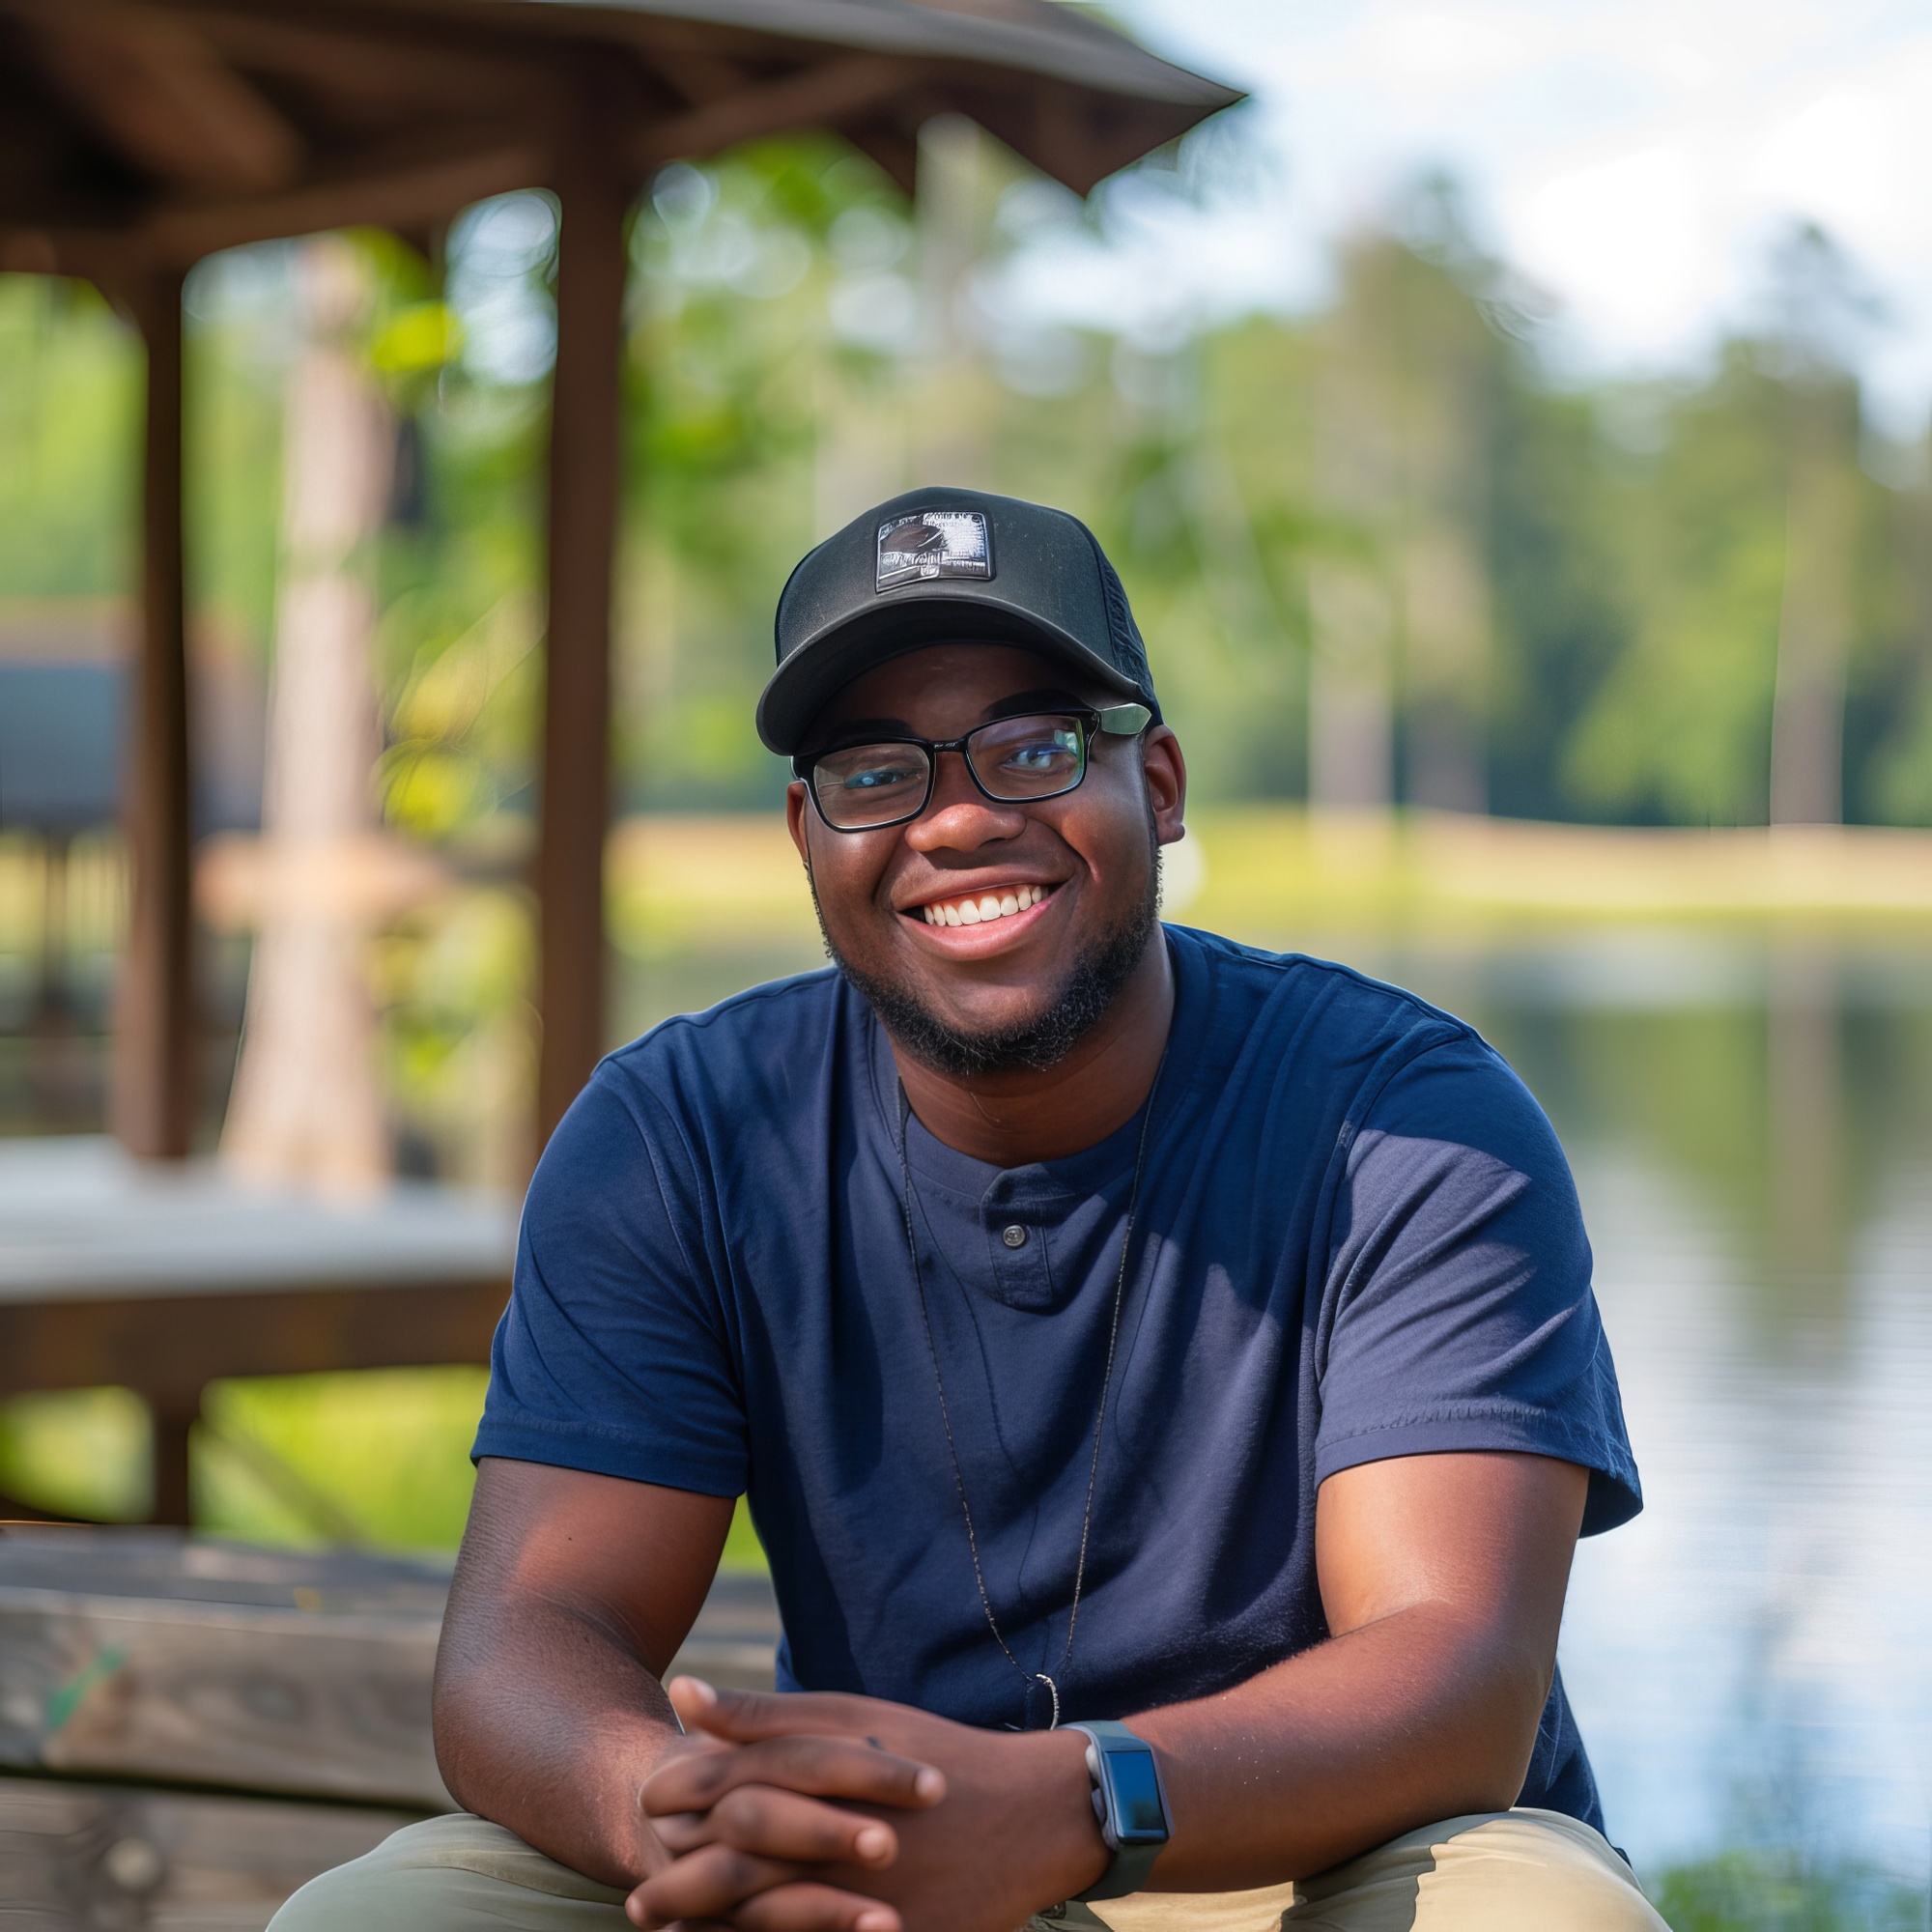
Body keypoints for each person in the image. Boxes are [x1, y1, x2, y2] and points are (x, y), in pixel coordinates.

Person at [272, 488, 1662, 1932]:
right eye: (877, 773)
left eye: (1033, 748)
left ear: (1162, 785)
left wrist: (1073, 1804)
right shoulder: (679, 1135)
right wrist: (675, 1805)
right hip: (875, 1861)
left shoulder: (1410, 1121)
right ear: (807, 834)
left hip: (1293, 1859)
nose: (958, 819)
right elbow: (527, 1636)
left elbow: (1453, 1674)